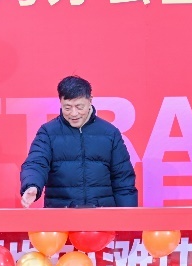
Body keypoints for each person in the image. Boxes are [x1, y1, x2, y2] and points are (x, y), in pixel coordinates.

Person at [20, 75, 138, 208]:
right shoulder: (48, 132)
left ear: (90, 100)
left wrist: (127, 218)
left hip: (102, 214)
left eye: (79, 107)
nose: (74, 113)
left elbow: (123, 180)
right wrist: (32, 185)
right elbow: (36, 163)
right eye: (67, 108)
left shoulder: (110, 133)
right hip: (61, 214)